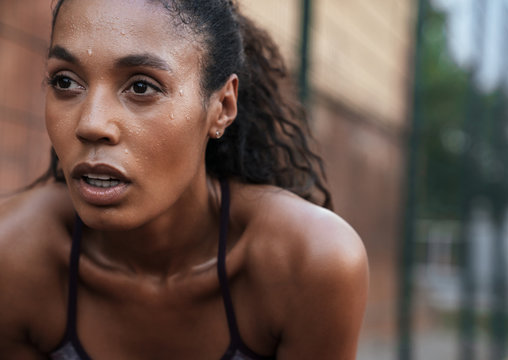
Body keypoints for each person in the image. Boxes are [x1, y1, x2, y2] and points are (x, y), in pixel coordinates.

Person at [0, 0, 369, 358]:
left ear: (221, 107)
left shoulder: (309, 262)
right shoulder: (13, 257)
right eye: (65, 81)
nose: (91, 123)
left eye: (141, 87)